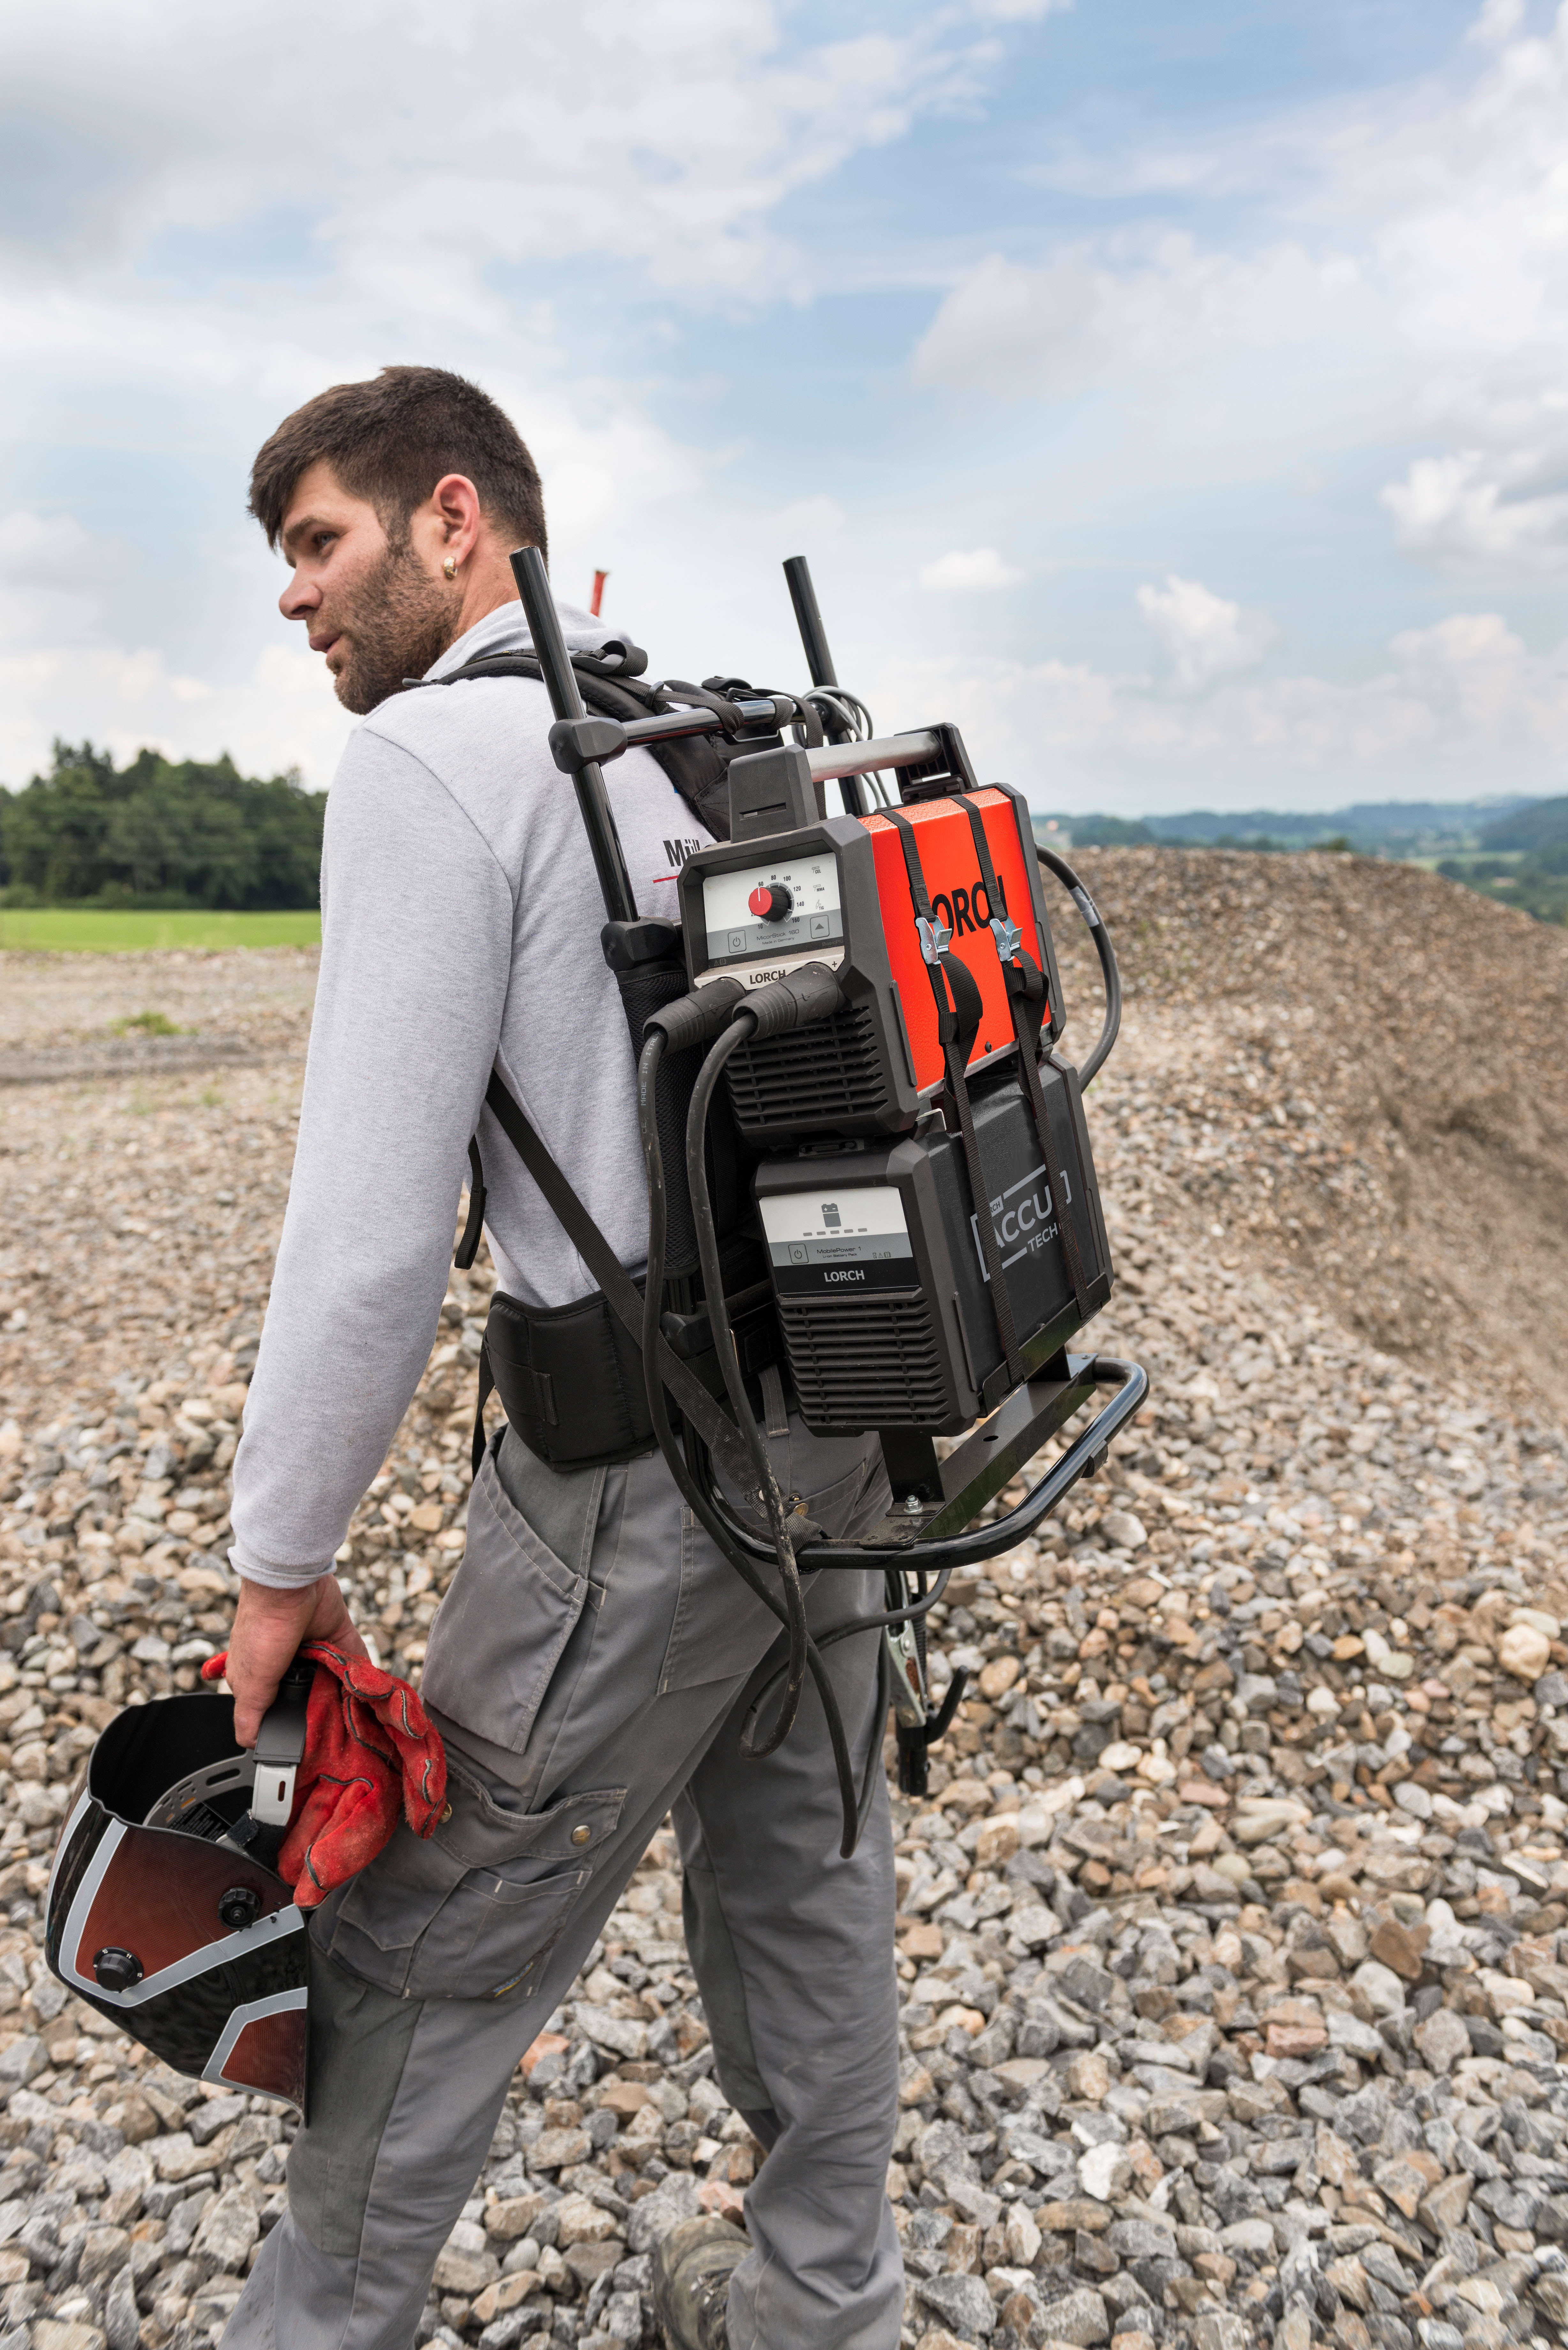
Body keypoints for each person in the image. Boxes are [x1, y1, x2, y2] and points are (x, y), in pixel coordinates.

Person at [219, 367, 902, 2350]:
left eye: (321, 544)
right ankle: (815, 2314)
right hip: (837, 1415)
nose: (297, 600)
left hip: (630, 1485)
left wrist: (282, 1566)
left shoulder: (435, 768)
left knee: (425, 1949)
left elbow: (362, 1236)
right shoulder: (688, 728)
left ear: (456, 521)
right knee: (803, 1881)